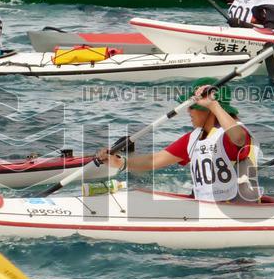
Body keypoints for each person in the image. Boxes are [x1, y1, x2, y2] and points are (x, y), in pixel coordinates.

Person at [97, 78, 260, 203]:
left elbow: (238, 139)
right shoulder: (193, 137)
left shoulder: (233, 133)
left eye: (193, 106)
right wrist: (119, 162)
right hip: (206, 206)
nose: (188, 110)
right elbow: (154, 160)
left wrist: (214, 105)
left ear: (208, 109)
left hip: (238, 208)